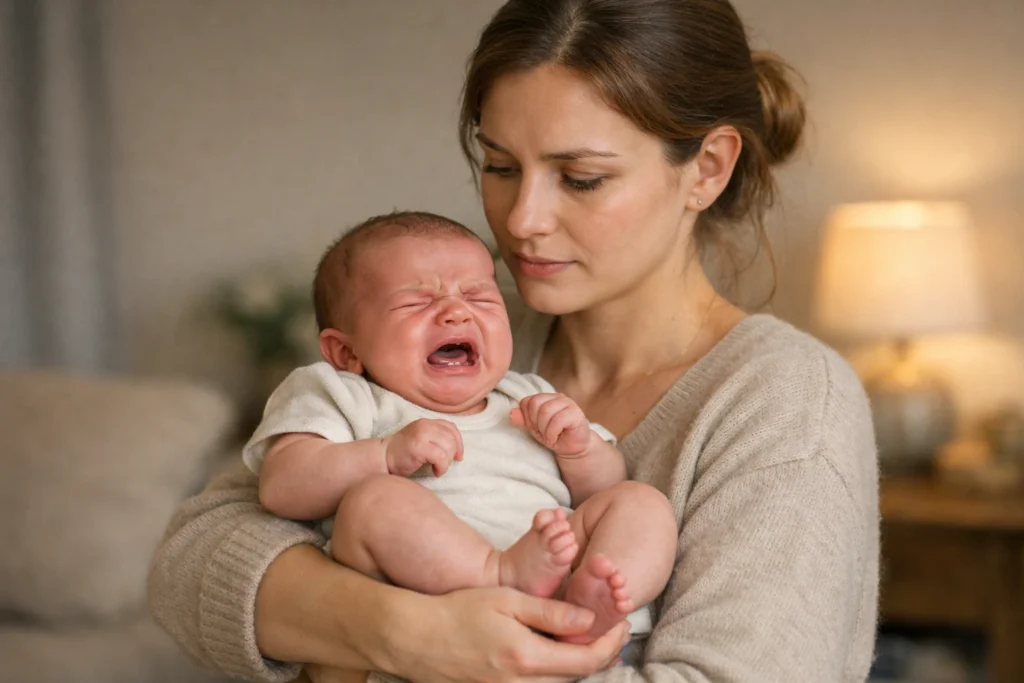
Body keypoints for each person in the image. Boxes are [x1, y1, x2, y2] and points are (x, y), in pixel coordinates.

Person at [149, 0, 879, 681]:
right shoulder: (465, 337)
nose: (520, 219)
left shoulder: (784, 401)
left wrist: (339, 644)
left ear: (707, 169)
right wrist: (409, 632)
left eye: (582, 178)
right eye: (499, 166)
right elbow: (191, 558)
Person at [244, 211, 677, 651]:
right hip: (444, 614)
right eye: (417, 302)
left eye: (479, 297)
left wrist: (579, 451)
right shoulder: (345, 394)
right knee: (374, 501)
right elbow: (281, 486)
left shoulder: (526, 395)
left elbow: (599, 492)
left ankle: (595, 600)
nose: (455, 312)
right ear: (346, 350)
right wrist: (384, 456)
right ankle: (500, 574)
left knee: (638, 501)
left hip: (560, 573)